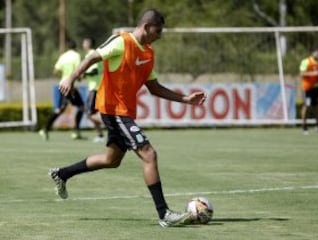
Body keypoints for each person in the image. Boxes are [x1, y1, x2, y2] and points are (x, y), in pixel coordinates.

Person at [49, 9, 206, 227]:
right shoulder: (122, 41)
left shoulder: (148, 53)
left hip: (125, 112)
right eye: (158, 31)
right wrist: (72, 77)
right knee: (149, 154)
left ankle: (62, 174)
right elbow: (94, 56)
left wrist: (186, 99)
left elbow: (154, 87)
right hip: (113, 110)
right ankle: (164, 215)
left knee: (111, 160)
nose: (160, 35)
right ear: (146, 27)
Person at [39, 39, 85, 140]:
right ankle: (75, 132)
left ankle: (46, 129)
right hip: (70, 85)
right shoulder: (76, 56)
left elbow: (55, 71)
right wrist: (79, 78)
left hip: (62, 84)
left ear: (68, 47)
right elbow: (78, 69)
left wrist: (64, 76)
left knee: (63, 109)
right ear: (75, 47)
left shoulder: (63, 56)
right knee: (79, 108)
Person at [82, 37, 105, 143]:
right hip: (96, 87)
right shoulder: (96, 52)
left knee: (89, 113)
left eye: (84, 42)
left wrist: (83, 74)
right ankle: (100, 135)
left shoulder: (91, 53)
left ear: (88, 43)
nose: (83, 44)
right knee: (91, 113)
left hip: (95, 88)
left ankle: (111, 126)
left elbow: (94, 70)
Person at [299, 48, 318, 135]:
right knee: (307, 106)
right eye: (317, 53)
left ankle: (317, 125)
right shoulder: (306, 61)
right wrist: (312, 74)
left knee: (317, 106)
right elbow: (302, 73)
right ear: (312, 53)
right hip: (307, 88)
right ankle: (304, 127)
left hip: (316, 88)